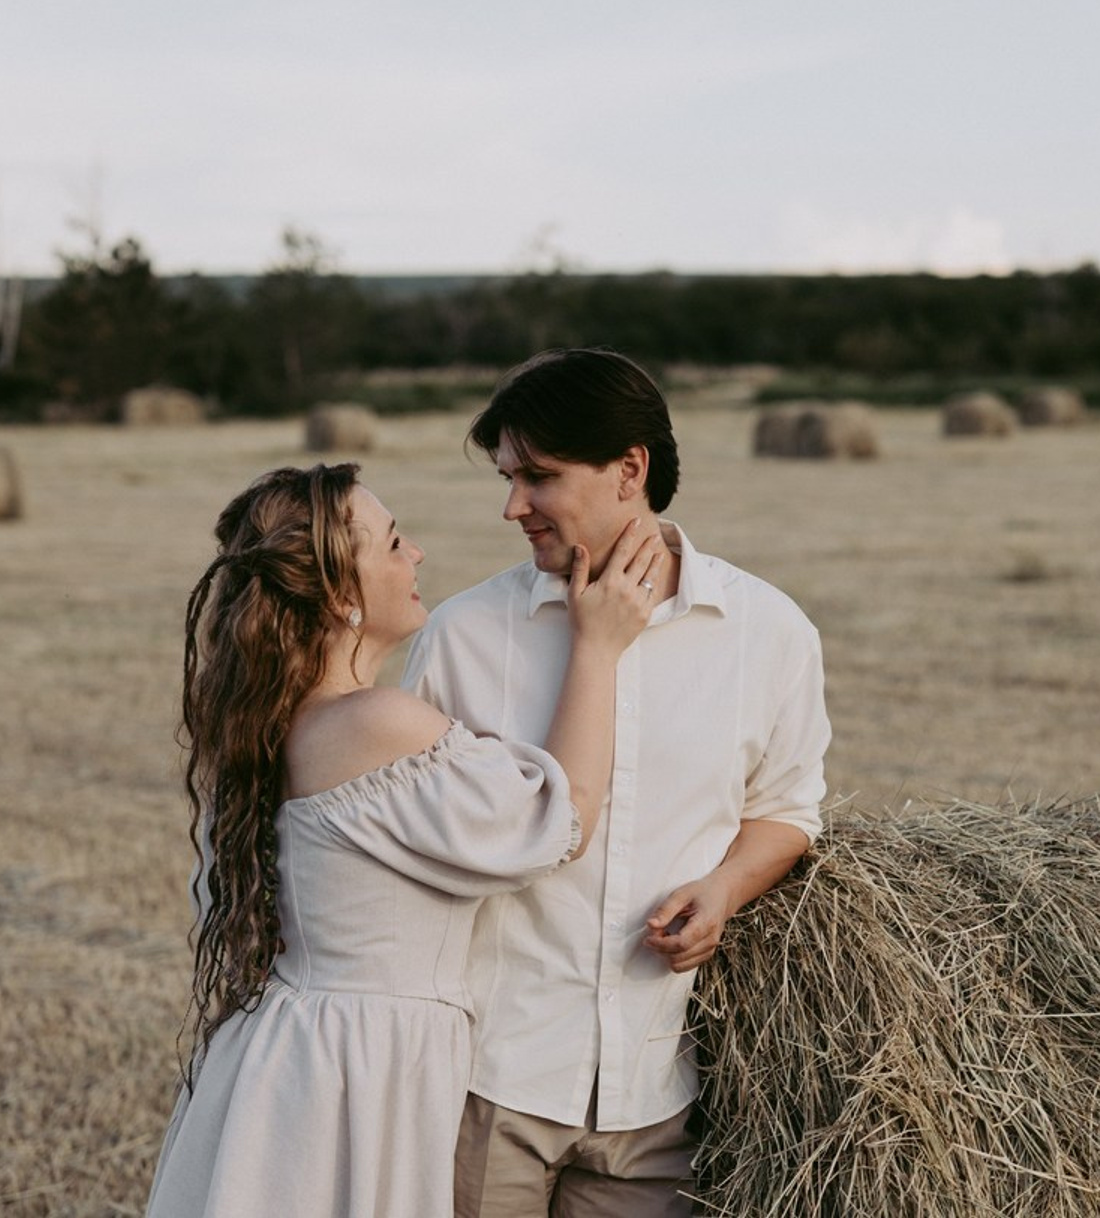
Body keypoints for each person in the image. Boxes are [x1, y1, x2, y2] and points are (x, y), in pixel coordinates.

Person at [146, 461, 664, 1218]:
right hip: (359, 1071)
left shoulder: (265, 724)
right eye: (392, 543)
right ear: (340, 596)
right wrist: (598, 648)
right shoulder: (376, 725)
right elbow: (560, 822)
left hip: (284, 1057)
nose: (415, 554)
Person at [401, 348, 831, 1216]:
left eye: (539, 477)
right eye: (508, 477)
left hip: (658, 1086)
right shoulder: (462, 636)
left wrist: (721, 890)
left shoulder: (770, 632)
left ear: (629, 469)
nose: (512, 506)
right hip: (490, 1080)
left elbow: (787, 810)